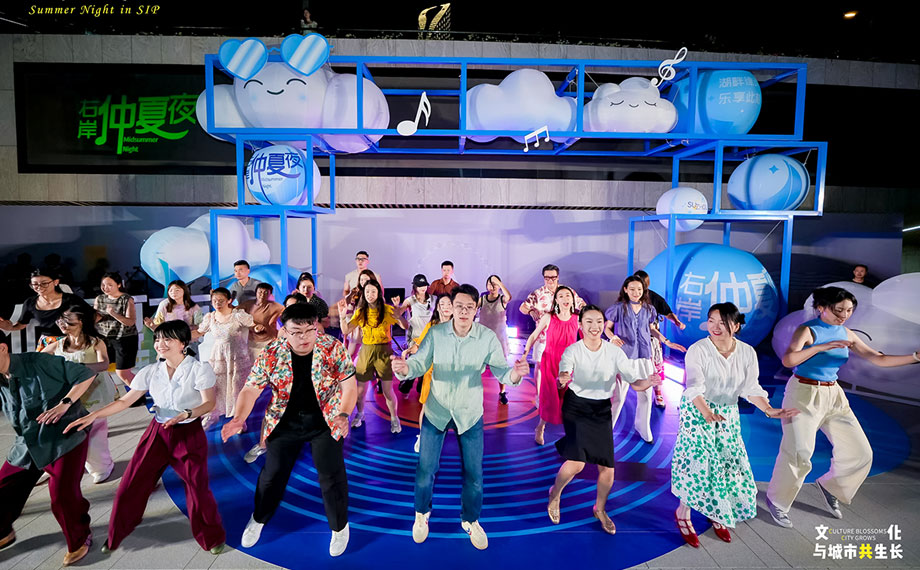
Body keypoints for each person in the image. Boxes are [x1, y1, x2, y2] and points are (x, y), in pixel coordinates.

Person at [64, 321, 226, 556]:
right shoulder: (151, 371)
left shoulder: (199, 369)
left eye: (167, 339)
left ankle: (212, 537)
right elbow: (125, 401)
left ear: (183, 343)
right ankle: (117, 534)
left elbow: (209, 403)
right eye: (158, 339)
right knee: (130, 484)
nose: (160, 344)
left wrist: (187, 414)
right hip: (157, 432)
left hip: (188, 433)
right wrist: (94, 415)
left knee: (197, 490)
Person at [765, 286, 920, 528]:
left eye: (849, 310)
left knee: (860, 452)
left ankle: (831, 486)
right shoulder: (807, 330)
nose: (844, 315)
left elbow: (878, 358)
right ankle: (777, 501)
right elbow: (788, 360)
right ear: (821, 308)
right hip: (804, 393)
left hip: (834, 394)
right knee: (798, 453)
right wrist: (818, 347)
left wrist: (915, 357)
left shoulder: (846, 332)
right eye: (839, 310)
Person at [393, 285, 529, 550]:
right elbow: (419, 363)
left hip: (470, 413)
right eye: (459, 306)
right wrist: (405, 368)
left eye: (469, 307)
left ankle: (471, 519)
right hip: (437, 410)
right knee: (425, 470)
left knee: (474, 473)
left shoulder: (486, 338)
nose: (464, 311)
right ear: (451, 308)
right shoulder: (436, 334)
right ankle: (421, 514)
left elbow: (502, 371)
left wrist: (515, 374)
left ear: (476, 309)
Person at [221, 303, 357, 557]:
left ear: (317, 327)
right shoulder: (272, 353)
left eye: (309, 330)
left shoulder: (332, 348)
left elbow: (349, 386)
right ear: (284, 330)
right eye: (296, 332)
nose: (304, 338)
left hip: (326, 420)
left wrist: (343, 414)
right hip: (284, 421)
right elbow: (251, 389)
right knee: (272, 475)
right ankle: (259, 518)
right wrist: (239, 418)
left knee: (331, 475)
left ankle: (340, 527)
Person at [672, 303, 799, 547]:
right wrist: (707, 413)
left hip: (727, 412)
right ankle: (683, 512)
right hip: (698, 411)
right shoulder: (698, 350)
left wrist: (768, 409)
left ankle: (717, 510)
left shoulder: (747, 352)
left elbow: (750, 387)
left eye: (723, 322)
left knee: (726, 462)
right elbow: (694, 386)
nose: (715, 327)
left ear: (736, 326)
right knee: (698, 463)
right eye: (711, 321)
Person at [548, 305, 660, 535]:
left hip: (601, 409)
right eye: (589, 322)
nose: (595, 326)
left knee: (608, 468)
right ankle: (554, 494)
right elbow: (563, 375)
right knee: (577, 463)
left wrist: (649, 382)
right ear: (580, 326)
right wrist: (562, 379)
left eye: (599, 321)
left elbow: (636, 383)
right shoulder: (573, 351)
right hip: (577, 406)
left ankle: (599, 509)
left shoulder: (615, 352)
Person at [0, 343, 97, 566]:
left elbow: (86, 374)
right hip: (28, 441)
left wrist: (65, 403)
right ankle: (3, 531)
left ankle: (80, 538)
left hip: (64, 436)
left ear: (3, 348)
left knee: (62, 495)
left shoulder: (39, 362)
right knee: (3, 486)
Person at [41, 305, 118, 483]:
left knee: (96, 431)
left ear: (81, 322)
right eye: (60, 320)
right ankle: (55, 466)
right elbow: (39, 359)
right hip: (69, 394)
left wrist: (79, 368)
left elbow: (104, 364)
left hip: (94, 391)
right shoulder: (59, 343)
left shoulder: (95, 342)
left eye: (67, 321)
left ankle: (102, 467)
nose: (62, 324)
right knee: (62, 432)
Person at [605, 276, 685, 443]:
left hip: (644, 356)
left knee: (646, 395)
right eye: (632, 289)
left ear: (644, 291)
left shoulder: (649, 309)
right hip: (624, 356)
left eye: (639, 289)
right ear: (625, 290)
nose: (636, 293)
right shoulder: (618, 308)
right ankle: (606, 429)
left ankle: (643, 427)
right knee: (618, 396)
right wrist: (612, 337)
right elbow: (607, 328)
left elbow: (651, 329)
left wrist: (667, 341)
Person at [337, 279, 407, 432]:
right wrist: (342, 316)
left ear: (379, 293)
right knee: (360, 391)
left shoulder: (387, 310)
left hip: (384, 351)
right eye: (367, 291)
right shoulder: (361, 312)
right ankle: (360, 414)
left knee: (388, 391)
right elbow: (346, 330)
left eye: (373, 291)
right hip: (366, 350)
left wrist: (398, 314)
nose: (370, 294)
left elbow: (405, 326)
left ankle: (394, 418)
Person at [519, 264, 586, 406]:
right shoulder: (538, 294)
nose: (550, 281)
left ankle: (565, 398)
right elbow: (523, 308)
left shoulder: (567, 292)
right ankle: (540, 395)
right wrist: (531, 311)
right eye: (547, 278)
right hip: (543, 337)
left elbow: (582, 305)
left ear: (558, 277)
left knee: (566, 368)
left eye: (553, 278)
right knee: (540, 367)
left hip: (564, 338)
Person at [521, 286, 579, 445]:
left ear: (572, 299)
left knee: (569, 398)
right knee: (550, 397)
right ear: (556, 300)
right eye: (561, 296)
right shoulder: (549, 317)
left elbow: (588, 338)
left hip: (569, 364)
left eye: (568, 295)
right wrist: (525, 355)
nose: (565, 298)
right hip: (550, 361)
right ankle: (540, 427)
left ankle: (571, 433)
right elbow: (533, 335)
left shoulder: (577, 318)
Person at [196, 287, 255, 427]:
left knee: (237, 387)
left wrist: (259, 328)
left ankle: (239, 419)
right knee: (216, 386)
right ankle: (212, 414)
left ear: (229, 300)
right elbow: (199, 332)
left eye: (221, 300)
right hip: (218, 355)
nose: (217, 303)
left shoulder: (238, 315)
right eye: (214, 300)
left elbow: (253, 325)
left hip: (237, 355)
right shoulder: (210, 317)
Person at [402, 295, 453, 452]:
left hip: (452, 375)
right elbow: (421, 343)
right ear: (438, 307)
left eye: (449, 303)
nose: (446, 306)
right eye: (442, 303)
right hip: (432, 372)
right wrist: (410, 350)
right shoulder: (432, 325)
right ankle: (422, 437)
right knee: (427, 406)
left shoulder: (459, 325)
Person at [634, 269, 686, 407]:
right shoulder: (627, 298)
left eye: (641, 285)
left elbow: (667, 313)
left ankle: (657, 392)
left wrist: (676, 322)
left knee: (656, 366)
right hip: (633, 340)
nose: (637, 290)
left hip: (651, 340)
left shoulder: (654, 299)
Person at [0, 269, 91, 345]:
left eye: (44, 283)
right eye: (35, 284)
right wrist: (8, 327)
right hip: (47, 342)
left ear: (56, 282)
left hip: (72, 341)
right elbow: (21, 324)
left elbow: (93, 316)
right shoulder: (30, 302)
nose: (39, 287)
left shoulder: (71, 299)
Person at [94, 272, 139, 388]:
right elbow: (95, 318)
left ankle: (139, 393)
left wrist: (113, 314)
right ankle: (115, 393)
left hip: (124, 339)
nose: (106, 288)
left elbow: (130, 322)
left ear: (119, 285)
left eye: (110, 285)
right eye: (103, 285)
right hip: (104, 338)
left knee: (122, 372)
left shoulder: (126, 299)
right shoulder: (100, 299)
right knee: (102, 369)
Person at [478, 275, 512, 405]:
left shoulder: (502, 299)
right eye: (490, 284)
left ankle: (502, 392)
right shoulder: (482, 299)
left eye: (495, 284)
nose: (492, 287)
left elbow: (509, 297)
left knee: (500, 367)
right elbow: (472, 307)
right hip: (483, 339)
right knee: (477, 365)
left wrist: (500, 284)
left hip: (499, 339)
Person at [241, 282, 285, 363]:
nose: (262, 295)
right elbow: (235, 312)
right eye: (260, 292)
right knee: (252, 365)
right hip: (252, 342)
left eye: (266, 293)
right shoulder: (248, 304)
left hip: (269, 340)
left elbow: (288, 313)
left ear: (270, 294)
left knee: (268, 364)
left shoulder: (276, 306)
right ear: (256, 292)